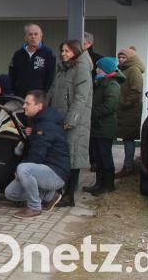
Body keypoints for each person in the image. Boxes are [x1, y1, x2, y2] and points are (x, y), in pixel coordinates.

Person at [4, 90, 70, 219]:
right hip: (43, 169)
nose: (24, 106)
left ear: (39, 106)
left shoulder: (45, 126)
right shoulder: (38, 122)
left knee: (23, 169)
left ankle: (34, 207)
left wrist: (19, 170)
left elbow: (37, 156)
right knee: (11, 193)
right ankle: (50, 196)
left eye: (27, 103)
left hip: (56, 173)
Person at [47, 40, 92, 207]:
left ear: (76, 51)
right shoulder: (63, 69)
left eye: (67, 50)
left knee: (73, 159)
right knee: (61, 157)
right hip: (59, 120)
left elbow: (81, 98)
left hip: (74, 123)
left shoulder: (81, 69)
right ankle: (60, 192)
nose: (63, 53)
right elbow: (53, 90)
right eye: (62, 50)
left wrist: (71, 121)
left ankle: (69, 196)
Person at [84, 57, 125, 196]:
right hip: (98, 126)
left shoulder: (112, 85)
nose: (96, 70)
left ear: (106, 70)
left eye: (99, 68)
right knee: (98, 156)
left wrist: (92, 113)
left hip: (105, 127)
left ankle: (108, 185)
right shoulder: (102, 82)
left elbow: (110, 106)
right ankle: (99, 184)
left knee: (105, 156)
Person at [115, 46, 144, 178]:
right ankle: (128, 166)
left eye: (123, 57)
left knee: (129, 139)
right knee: (127, 138)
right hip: (124, 110)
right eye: (119, 57)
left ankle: (128, 167)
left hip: (130, 110)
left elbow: (136, 91)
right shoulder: (124, 70)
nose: (121, 59)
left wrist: (124, 104)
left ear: (129, 58)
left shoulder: (133, 70)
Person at [9, 23, 56, 97]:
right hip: (19, 97)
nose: (33, 37)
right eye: (30, 34)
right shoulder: (18, 55)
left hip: (39, 99)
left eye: (36, 34)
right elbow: (12, 75)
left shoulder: (49, 54)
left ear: (41, 36)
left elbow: (51, 78)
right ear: (26, 37)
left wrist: (44, 95)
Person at [83, 31, 103, 171]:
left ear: (90, 44)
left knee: (93, 132)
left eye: (84, 43)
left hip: (94, 100)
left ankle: (94, 160)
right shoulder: (73, 59)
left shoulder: (98, 60)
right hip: (79, 99)